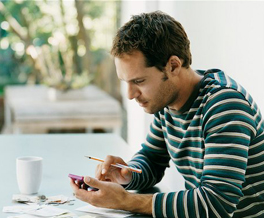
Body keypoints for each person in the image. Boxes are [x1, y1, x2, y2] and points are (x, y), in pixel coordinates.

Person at [70, 10, 264, 218]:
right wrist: (126, 174)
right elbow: (152, 159)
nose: (130, 94)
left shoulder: (224, 105)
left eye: (139, 81)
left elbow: (216, 203)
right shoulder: (167, 103)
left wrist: (125, 201)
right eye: (125, 82)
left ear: (173, 66)